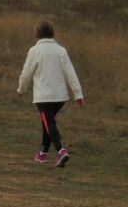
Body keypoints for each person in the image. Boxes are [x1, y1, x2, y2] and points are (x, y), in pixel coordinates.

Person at [17, 21, 83, 167]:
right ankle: (42, 154)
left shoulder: (34, 51)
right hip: (60, 97)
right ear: (52, 33)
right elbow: (71, 73)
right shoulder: (61, 50)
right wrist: (78, 94)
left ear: (37, 34)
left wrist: (21, 89)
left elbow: (26, 74)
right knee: (47, 122)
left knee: (49, 123)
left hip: (43, 97)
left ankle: (61, 151)